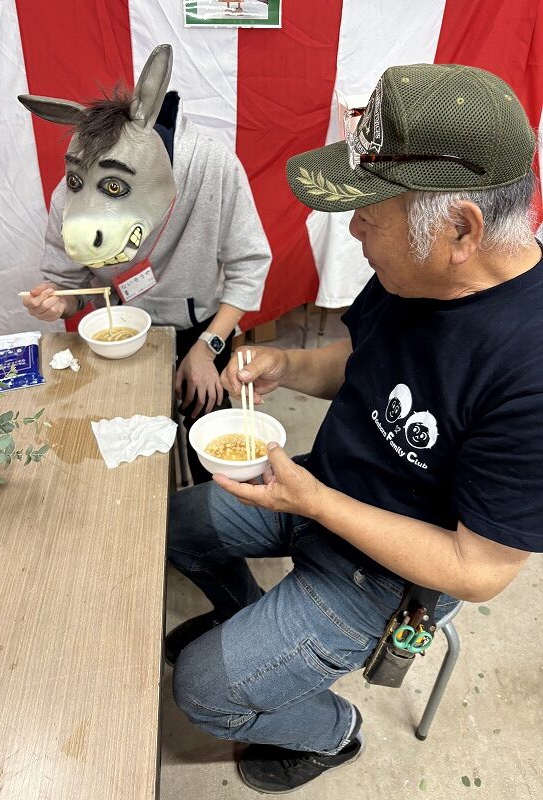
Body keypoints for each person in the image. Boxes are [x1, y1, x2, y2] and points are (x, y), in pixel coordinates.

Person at [166, 63, 543, 793]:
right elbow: (365, 362)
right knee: (179, 526)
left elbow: (479, 570)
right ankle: (252, 631)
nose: (354, 226)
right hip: (326, 486)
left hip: (395, 574)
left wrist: (313, 501)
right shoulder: (417, 272)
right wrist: (288, 364)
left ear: (460, 229)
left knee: (202, 692)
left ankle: (334, 732)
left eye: (371, 210)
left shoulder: (529, 372)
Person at [22, 52, 271, 485]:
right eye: (79, 182)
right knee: (122, 445)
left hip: (201, 328)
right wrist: (56, 303)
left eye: (114, 185)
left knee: (210, 435)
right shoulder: (75, 187)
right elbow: (70, 287)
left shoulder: (210, 166)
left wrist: (207, 349)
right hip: (121, 329)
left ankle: (211, 518)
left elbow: (248, 264)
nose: (80, 190)